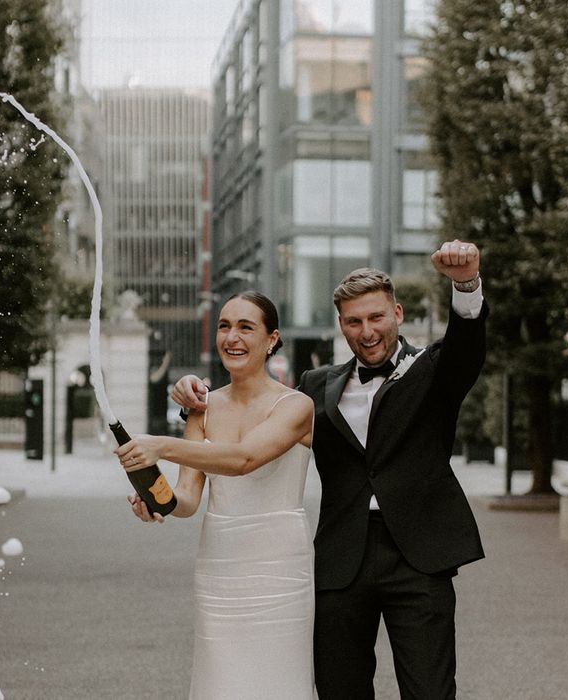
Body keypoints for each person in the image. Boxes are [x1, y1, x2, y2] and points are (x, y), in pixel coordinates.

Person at [171, 240, 487, 699]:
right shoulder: (314, 388)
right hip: (340, 561)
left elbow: (468, 346)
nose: (367, 331)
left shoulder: (435, 369)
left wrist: (466, 283)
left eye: (376, 317)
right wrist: (192, 400)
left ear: (397, 313)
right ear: (341, 326)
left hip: (419, 557)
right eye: (353, 321)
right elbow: (254, 418)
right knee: (340, 691)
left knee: (430, 692)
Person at [115, 291, 315, 700]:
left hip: (280, 565)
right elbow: (187, 499)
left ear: (272, 338)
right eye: (224, 326)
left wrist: (161, 445)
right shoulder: (202, 408)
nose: (232, 337)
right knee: (220, 682)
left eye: (246, 327)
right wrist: (157, 500)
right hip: (220, 564)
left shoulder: (297, 406)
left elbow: (243, 459)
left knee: (280, 680)